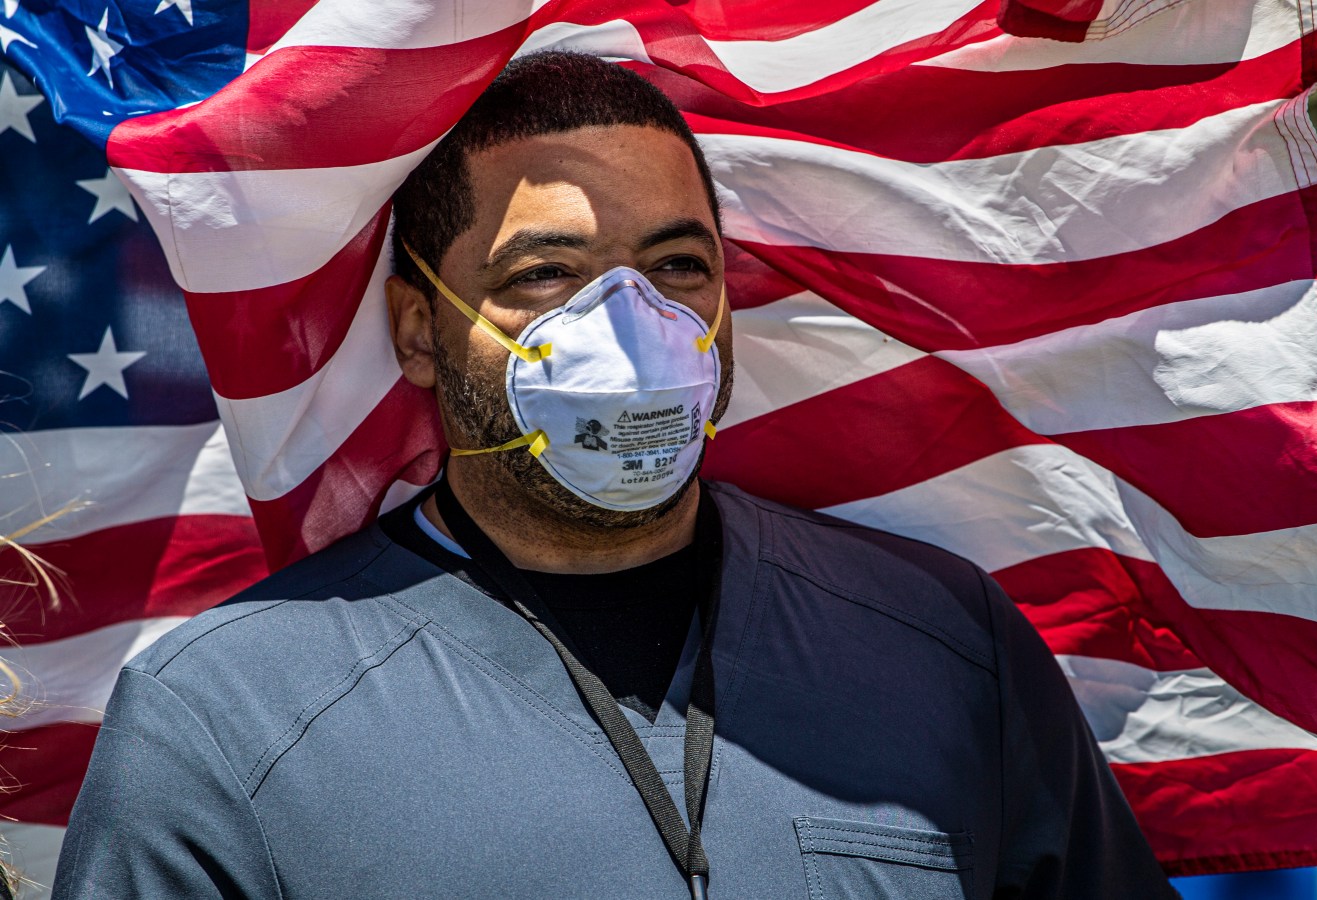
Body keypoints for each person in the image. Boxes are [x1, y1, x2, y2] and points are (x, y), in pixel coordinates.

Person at [52, 52, 1177, 899]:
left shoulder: (945, 645)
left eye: (677, 267)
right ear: (417, 331)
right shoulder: (222, 720)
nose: (631, 329)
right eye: (547, 275)